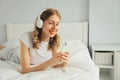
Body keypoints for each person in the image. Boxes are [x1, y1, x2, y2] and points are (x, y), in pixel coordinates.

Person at [19, 8, 69, 74]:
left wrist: (64, 61)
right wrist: (50, 62)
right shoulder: (26, 37)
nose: (54, 28)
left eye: (57, 24)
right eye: (51, 23)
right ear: (40, 23)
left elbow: (56, 65)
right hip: (14, 55)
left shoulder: (54, 39)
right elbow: (24, 70)